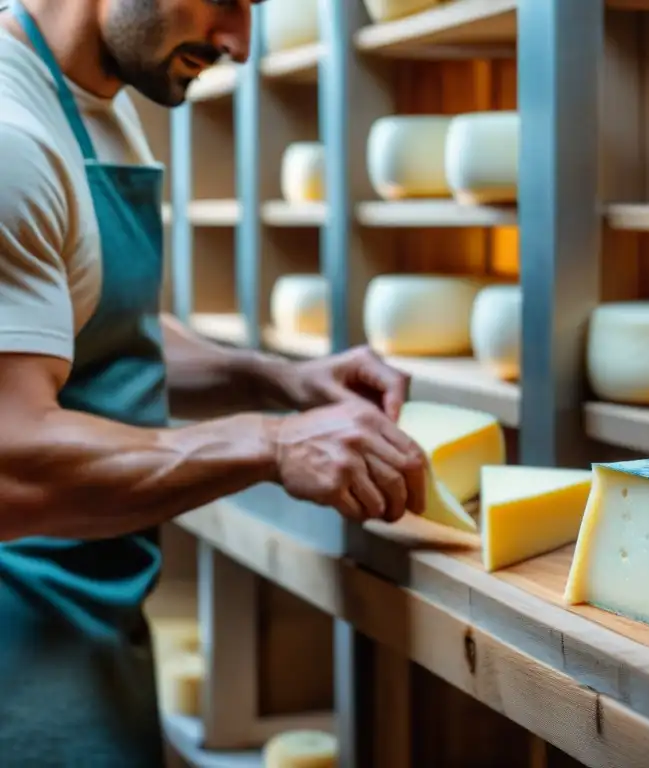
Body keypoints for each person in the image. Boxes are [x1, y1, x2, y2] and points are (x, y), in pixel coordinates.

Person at [0, 0, 428, 764]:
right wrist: (271, 443)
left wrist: (273, 379)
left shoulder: (95, 99)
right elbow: (10, 454)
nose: (238, 41)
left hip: (88, 613)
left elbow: (86, 322)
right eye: (226, 0)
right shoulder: (9, 134)